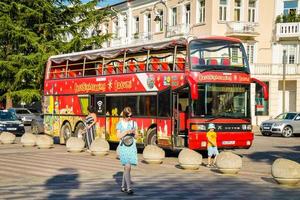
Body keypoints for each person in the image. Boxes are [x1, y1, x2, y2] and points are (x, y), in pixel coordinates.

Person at [116, 107, 138, 195]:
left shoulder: (134, 123)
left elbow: (137, 136)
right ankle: (129, 188)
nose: (130, 117)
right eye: (128, 116)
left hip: (132, 147)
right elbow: (118, 136)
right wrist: (126, 132)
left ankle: (123, 186)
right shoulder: (119, 124)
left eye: (131, 115)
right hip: (123, 147)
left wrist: (134, 133)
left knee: (127, 168)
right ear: (124, 115)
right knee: (127, 166)